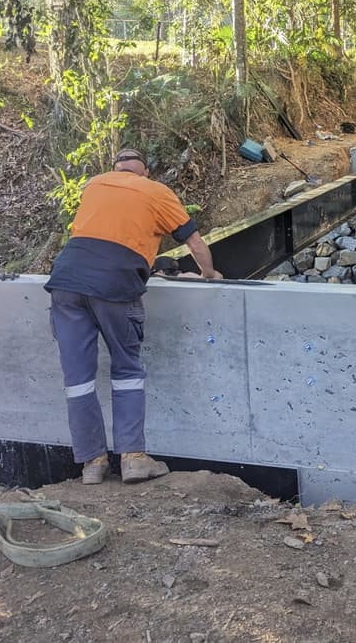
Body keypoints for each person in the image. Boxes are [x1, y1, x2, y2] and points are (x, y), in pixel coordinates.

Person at [45, 148, 222, 485]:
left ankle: (93, 463)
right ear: (144, 173)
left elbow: (100, 236)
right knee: (126, 370)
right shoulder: (155, 191)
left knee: (78, 379)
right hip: (114, 284)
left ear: (115, 169)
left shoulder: (95, 185)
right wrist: (209, 275)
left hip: (66, 283)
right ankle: (133, 459)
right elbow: (196, 244)